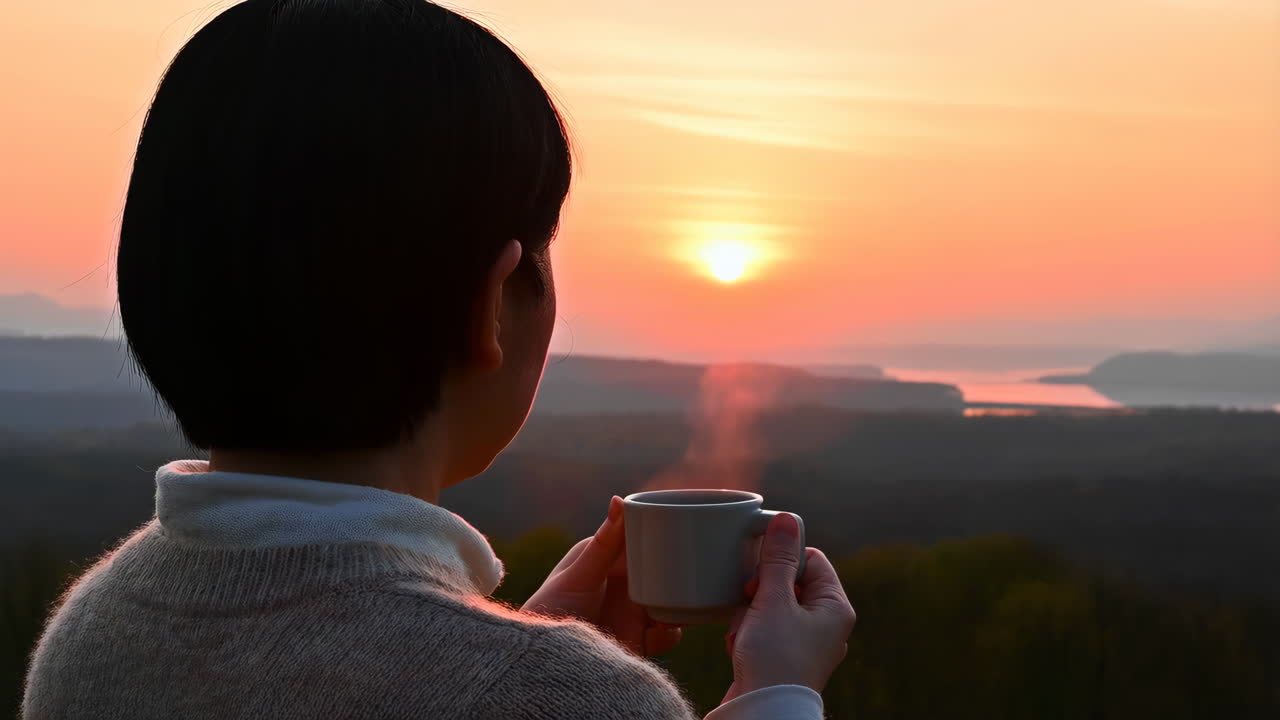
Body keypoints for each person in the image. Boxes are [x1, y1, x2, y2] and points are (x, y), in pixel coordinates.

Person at [22, 1, 856, 718]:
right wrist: (777, 692)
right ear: (491, 303)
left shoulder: (92, 632)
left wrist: (514, 649)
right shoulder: (577, 701)